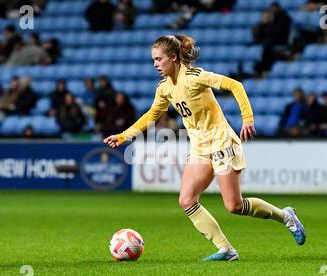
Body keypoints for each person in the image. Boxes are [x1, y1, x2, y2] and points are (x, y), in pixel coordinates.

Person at [104, 35, 306, 261]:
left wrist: (247, 118)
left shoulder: (194, 77)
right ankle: (226, 250)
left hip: (221, 142)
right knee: (187, 200)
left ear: (173, 57)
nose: (155, 64)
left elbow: (234, 85)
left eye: (159, 59)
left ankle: (286, 217)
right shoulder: (164, 88)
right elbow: (152, 114)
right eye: (153, 60)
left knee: (234, 206)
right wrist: (123, 136)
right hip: (200, 147)